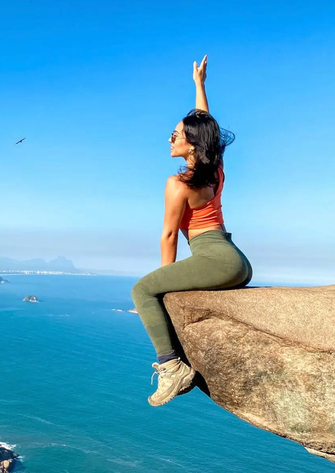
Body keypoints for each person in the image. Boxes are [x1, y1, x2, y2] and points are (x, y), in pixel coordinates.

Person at [131, 55, 253, 407]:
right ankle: (171, 365)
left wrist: (164, 278)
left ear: (192, 144)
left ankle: (172, 367)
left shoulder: (178, 183)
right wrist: (199, 86)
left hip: (216, 258)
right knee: (154, 288)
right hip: (236, 261)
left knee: (143, 290)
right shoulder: (215, 171)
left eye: (176, 135)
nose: (170, 139)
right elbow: (206, 126)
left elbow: (169, 236)